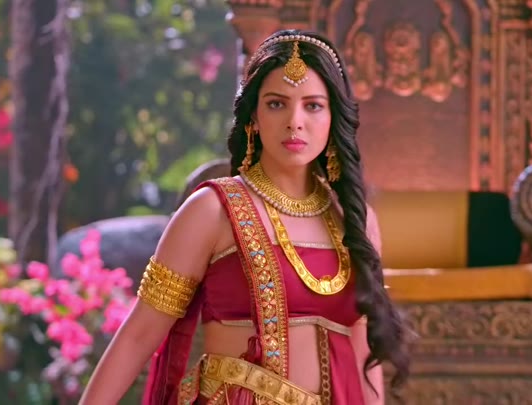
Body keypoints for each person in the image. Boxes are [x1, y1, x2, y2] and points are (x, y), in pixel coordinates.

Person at [80, 29, 410, 405]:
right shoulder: (212, 210)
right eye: (276, 104)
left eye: (313, 106)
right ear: (253, 115)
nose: (295, 121)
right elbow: (139, 335)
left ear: (334, 116)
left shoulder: (356, 221)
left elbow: (363, 353)